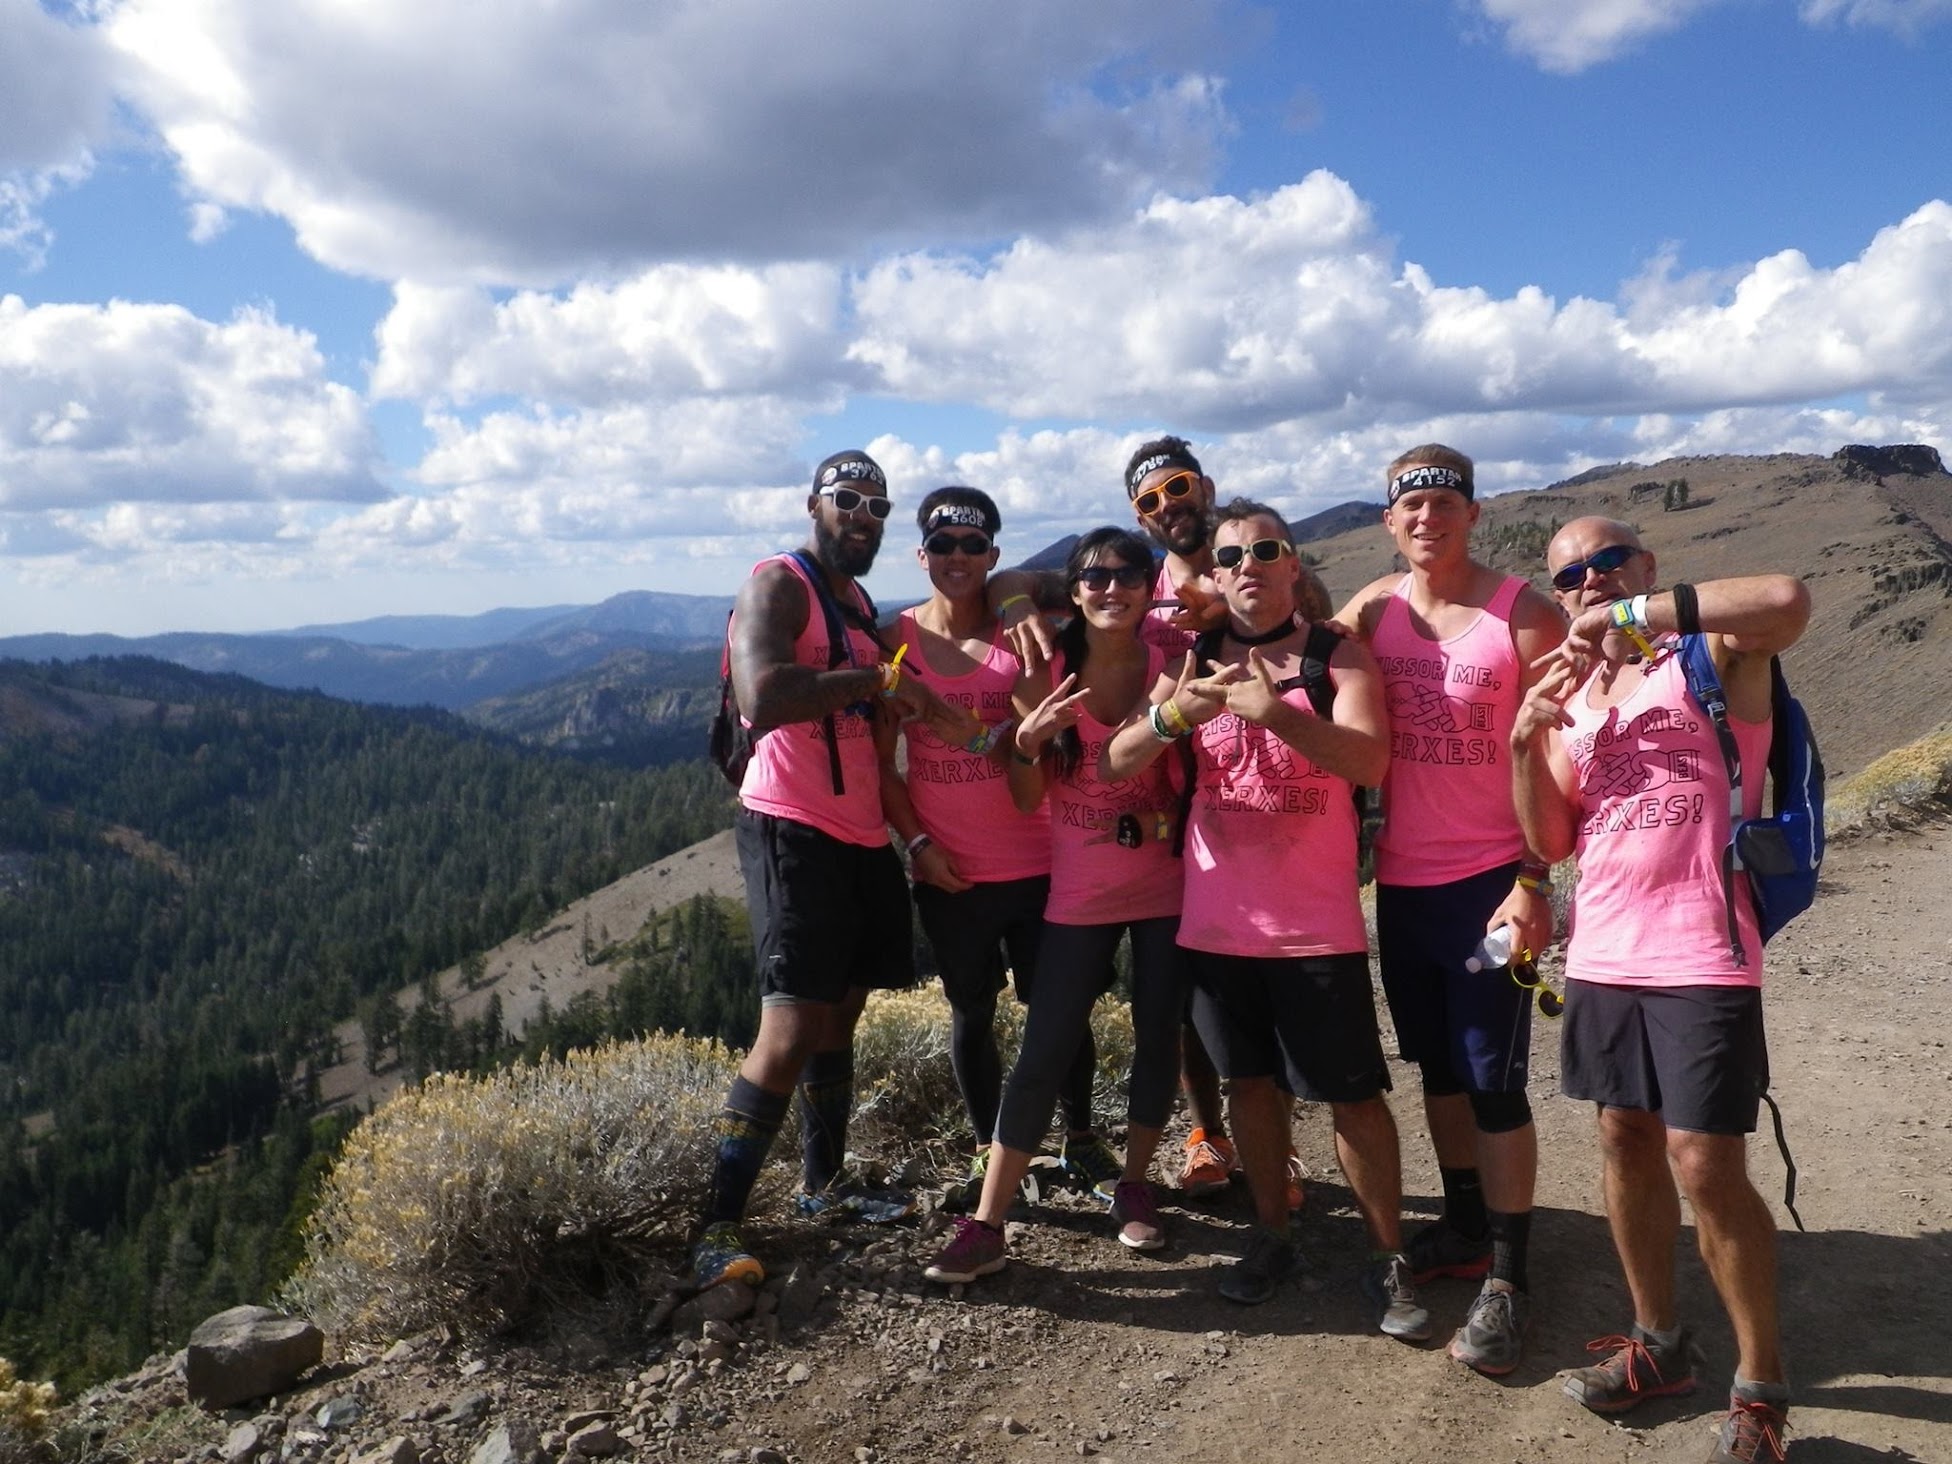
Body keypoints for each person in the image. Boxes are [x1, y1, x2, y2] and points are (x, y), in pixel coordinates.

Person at [1511, 516, 1808, 1463]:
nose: (1589, 580)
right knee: (1624, 1136)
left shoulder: (1708, 656)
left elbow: (1785, 600)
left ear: (1646, 567)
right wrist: (1527, 739)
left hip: (1704, 947)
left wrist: (1634, 615)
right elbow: (1554, 839)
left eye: (1608, 562)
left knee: (1705, 1163)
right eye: (1570, 575)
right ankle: (1656, 1345)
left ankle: (1760, 1391)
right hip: (1602, 948)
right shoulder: (1579, 693)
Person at [1098, 500, 1422, 1322]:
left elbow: (1371, 757)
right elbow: (1116, 758)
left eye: (1266, 551)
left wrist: (1274, 711)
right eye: (1232, 556)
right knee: (1249, 1086)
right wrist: (1180, 712)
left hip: (1315, 925)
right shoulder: (1195, 658)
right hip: (1217, 921)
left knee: (1352, 1096)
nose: (1250, 566)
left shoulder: (1335, 657)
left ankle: (1392, 1258)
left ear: (1292, 565)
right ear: (1214, 575)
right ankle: (1271, 1233)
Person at [989, 436, 1322, 1205]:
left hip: (1263, 817)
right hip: (1184, 832)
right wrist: (1011, 602)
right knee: (1189, 1010)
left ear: (1201, 486)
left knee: (1249, 996)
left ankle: (1278, 1148)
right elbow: (1019, 575)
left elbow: (1311, 627)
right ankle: (1209, 1134)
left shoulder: (1253, 554)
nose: (1167, 507)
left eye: (1176, 489)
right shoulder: (1144, 582)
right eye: (1148, 501)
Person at [690, 449, 960, 1291]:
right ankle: (714, 1226)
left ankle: (823, 1186)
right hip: (792, 829)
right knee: (790, 1025)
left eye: (878, 505)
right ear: (814, 504)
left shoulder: (855, 599)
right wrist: (875, 678)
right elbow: (763, 695)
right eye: (848, 500)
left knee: (843, 1009)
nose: (863, 516)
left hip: (858, 833)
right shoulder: (779, 583)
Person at [1334, 444, 1566, 1372]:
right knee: (1436, 1066)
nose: (1426, 517)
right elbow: (1296, 634)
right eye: (1409, 506)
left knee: (1495, 1077)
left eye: (1444, 502)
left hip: (1491, 884)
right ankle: (1465, 1221)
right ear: (1389, 522)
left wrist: (1536, 879)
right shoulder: (1374, 609)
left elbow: (1560, 761)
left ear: (1473, 513)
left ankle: (1509, 1275)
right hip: (1404, 885)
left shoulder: (1523, 615)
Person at [924, 527, 1190, 1283]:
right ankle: (988, 1222)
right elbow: (1023, 794)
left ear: (1148, 584)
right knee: (1045, 1046)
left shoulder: (1171, 655)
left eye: (1129, 575)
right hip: (1081, 881)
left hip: (1168, 876)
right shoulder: (1045, 667)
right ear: (1073, 591)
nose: (1113, 589)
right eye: (1096, 577)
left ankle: (1134, 1184)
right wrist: (1029, 745)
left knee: (1156, 1029)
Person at [878, 487, 1118, 1207]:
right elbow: (878, 766)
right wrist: (916, 843)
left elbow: (1036, 739)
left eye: (972, 545)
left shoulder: (1024, 632)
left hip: (1045, 859)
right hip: (950, 869)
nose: (958, 558)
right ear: (921, 555)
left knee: (1061, 1009)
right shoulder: (897, 641)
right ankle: (992, 1150)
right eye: (943, 545)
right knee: (970, 1012)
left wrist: (966, 731)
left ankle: (1081, 1140)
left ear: (993, 555)